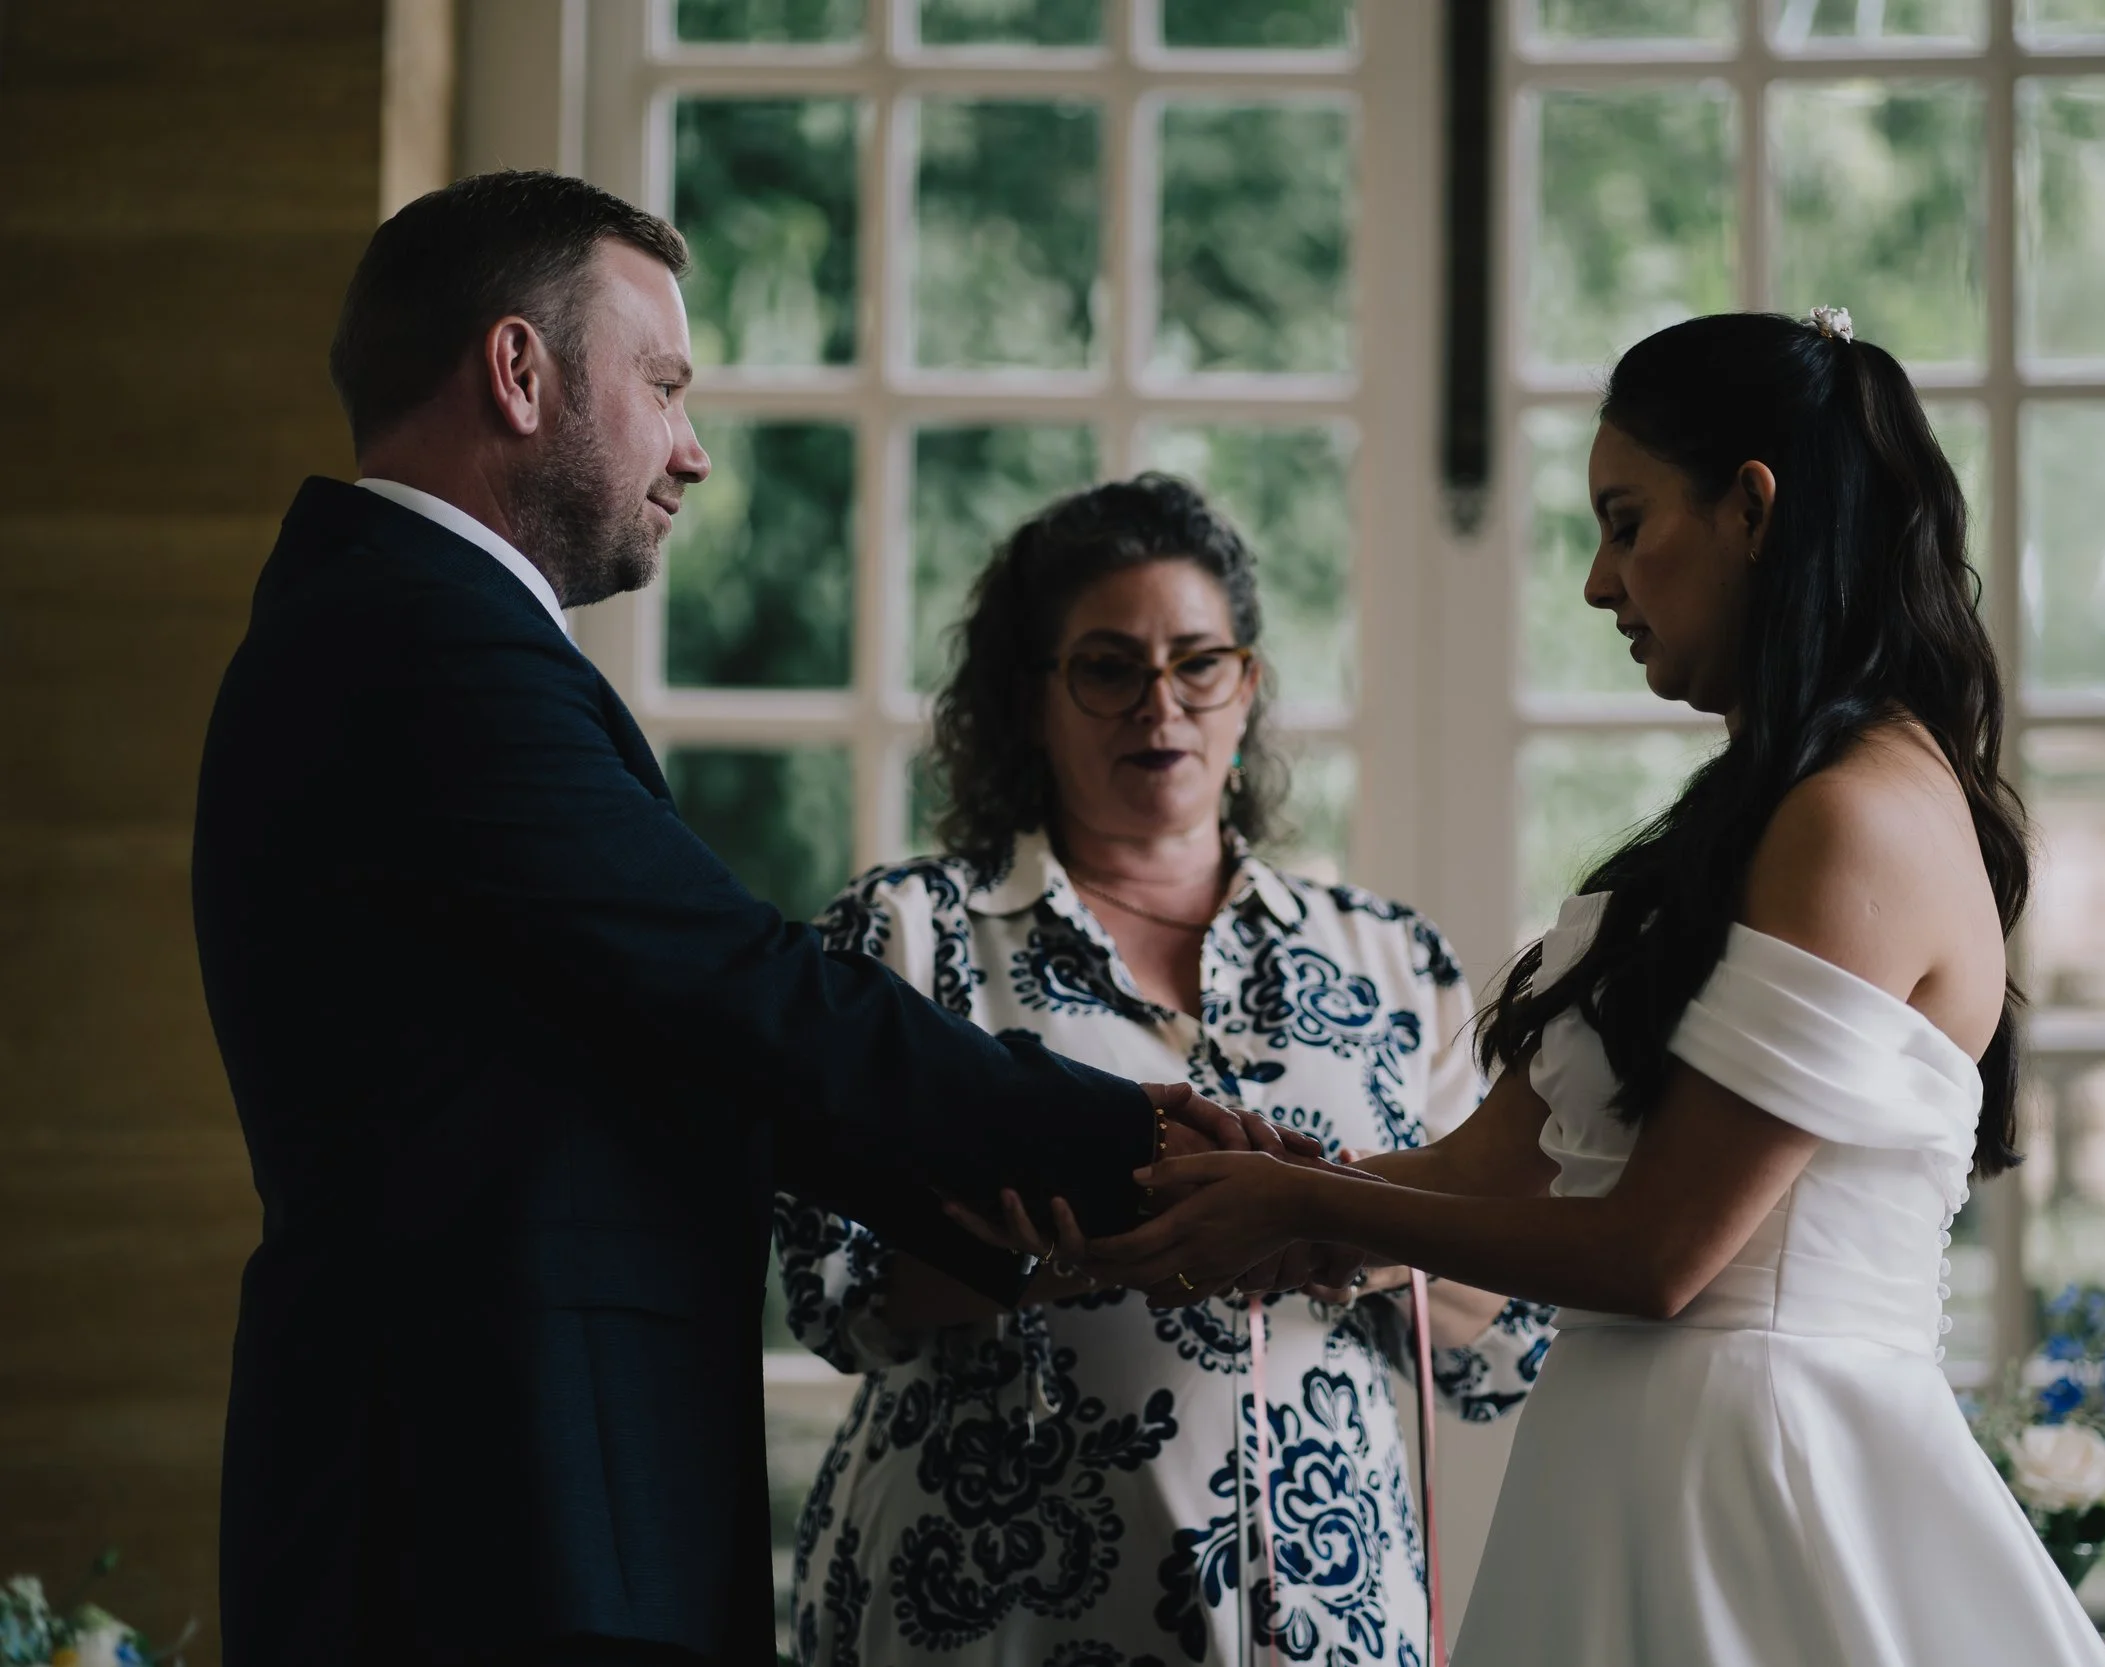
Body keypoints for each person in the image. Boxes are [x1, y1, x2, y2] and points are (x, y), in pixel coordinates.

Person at [192, 172, 1293, 1667]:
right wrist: (1145, 1155)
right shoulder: (417, 640)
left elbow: (670, 1037)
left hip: (514, 1491)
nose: (693, 450)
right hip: (482, 1509)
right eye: (661, 385)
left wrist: (1008, 1204)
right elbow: (740, 991)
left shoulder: (397, 621)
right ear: (519, 373)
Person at [1022, 311, 2105, 1663]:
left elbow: (1659, 1255)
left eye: (1625, 518)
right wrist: (1277, 1198)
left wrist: (1301, 1199)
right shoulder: (1756, 811)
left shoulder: (1862, 816)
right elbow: (1494, 1170)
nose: (1601, 582)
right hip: (1623, 1470)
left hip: (1768, 1482)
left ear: (1751, 509)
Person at [774, 475, 1554, 1667]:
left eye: (1200, 662)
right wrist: (1048, 1249)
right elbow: (830, 1284)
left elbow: (1502, 1343)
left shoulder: (1392, 958)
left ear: (1245, 690)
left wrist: (1340, 1226)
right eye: (1106, 665)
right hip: (988, 1594)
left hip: (1324, 1607)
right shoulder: (909, 931)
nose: (1160, 704)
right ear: (1030, 697)